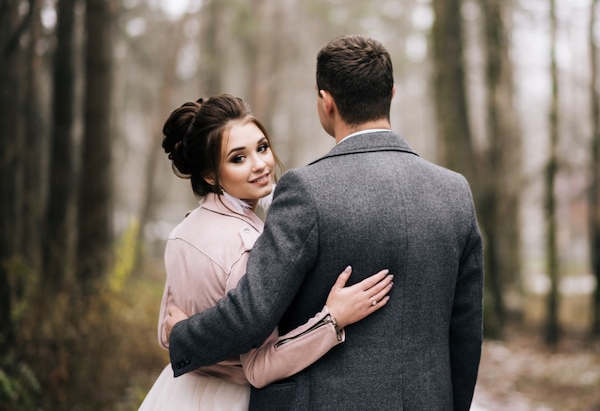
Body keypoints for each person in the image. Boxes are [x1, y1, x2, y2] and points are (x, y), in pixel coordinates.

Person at [166, 35, 484, 410]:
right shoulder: (455, 191)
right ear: (392, 93)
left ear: (326, 102)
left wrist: (182, 336)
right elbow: (466, 331)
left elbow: (251, 314)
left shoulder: (306, 191)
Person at [138, 94, 394, 410]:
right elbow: (259, 368)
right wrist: (332, 320)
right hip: (233, 399)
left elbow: (168, 334)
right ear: (208, 175)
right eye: (238, 158)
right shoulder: (247, 247)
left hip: (181, 392)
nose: (260, 165)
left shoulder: (180, 234)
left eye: (261, 148)